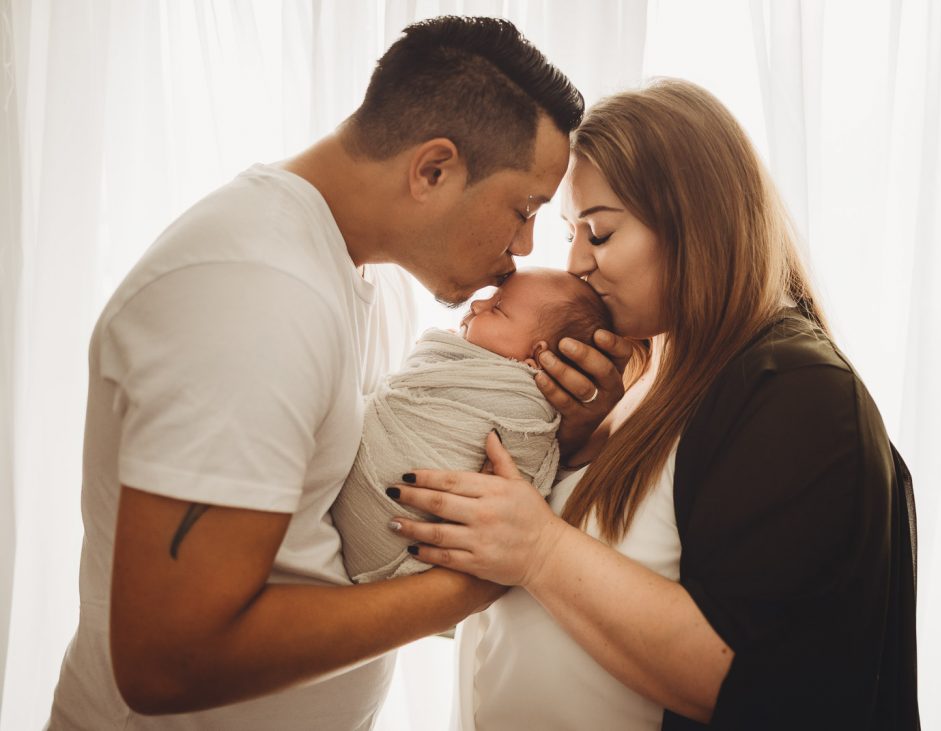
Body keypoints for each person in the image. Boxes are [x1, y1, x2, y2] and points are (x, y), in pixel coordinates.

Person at [47, 16, 629, 730]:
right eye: (524, 209)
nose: (527, 247)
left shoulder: (365, 271)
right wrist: (484, 580)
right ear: (434, 170)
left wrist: (559, 426)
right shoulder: (249, 295)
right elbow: (170, 660)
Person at [387, 79, 921, 730]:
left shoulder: (795, 390)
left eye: (599, 232)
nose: (575, 262)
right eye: (571, 232)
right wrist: (569, 445)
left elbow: (760, 680)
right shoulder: (636, 365)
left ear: (695, 225)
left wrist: (541, 550)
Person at [335, 268, 612, 584]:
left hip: (409, 555)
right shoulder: (448, 347)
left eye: (497, 308)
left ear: (535, 359)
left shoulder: (521, 403)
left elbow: (525, 457)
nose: (477, 305)